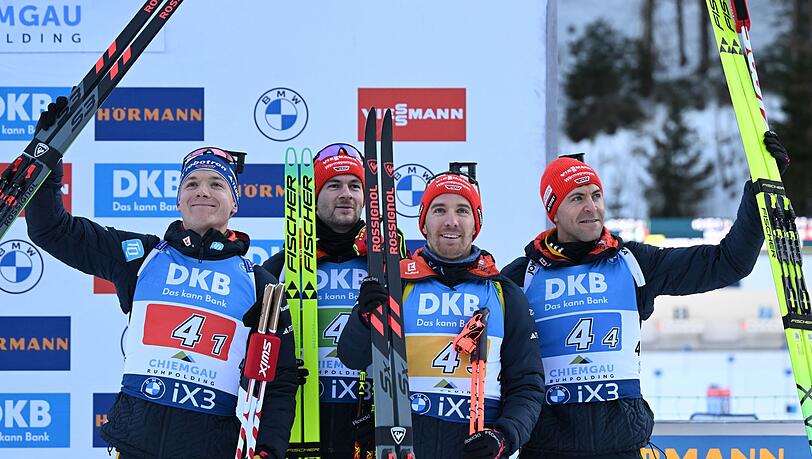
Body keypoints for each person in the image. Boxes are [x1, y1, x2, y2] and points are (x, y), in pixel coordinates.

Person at [24, 98, 298, 459]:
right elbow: (52, 230)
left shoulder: (259, 284)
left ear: (235, 202)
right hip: (135, 446)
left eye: (217, 184)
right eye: (192, 183)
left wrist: (268, 451)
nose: (202, 191)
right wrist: (46, 156)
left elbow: (279, 381)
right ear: (178, 199)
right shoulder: (141, 256)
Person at [502, 132, 791, 459]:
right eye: (577, 198)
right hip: (547, 448)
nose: (591, 207)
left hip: (621, 447)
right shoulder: (523, 276)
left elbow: (728, 263)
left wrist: (759, 189)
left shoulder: (632, 262)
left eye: (596, 195)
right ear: (553, 211)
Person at [338, 171, 544, 458]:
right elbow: (352, 357)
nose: (451, 221)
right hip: (403, 447)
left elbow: (527, 384)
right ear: (424, 223)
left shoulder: (504, 293)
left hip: (471, 450)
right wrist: (363, 318)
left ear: (476, 224)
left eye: (462, 210)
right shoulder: (396, 284)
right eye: (439, 210)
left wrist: (504, 436)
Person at [263, 143, 406, 457]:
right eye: (333, 185)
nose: (346, 194)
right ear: (313, 196)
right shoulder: (282, 267)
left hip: (365, 416)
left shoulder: (388, 263)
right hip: (302, 417)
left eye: (355, 186)